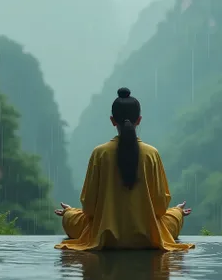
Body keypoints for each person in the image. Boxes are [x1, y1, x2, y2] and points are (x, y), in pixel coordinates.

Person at [54, 87, 195, 251]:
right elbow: (160, 208)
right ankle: (178, 212)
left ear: (113, 120)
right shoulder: (151, 154)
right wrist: (177, 213)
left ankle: (68, 214)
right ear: (139, 120)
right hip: (149, 236)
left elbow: (89, 208)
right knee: (172, 217)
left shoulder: (100, 153)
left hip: (104, 235)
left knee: (71, 219)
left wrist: (70, 214)